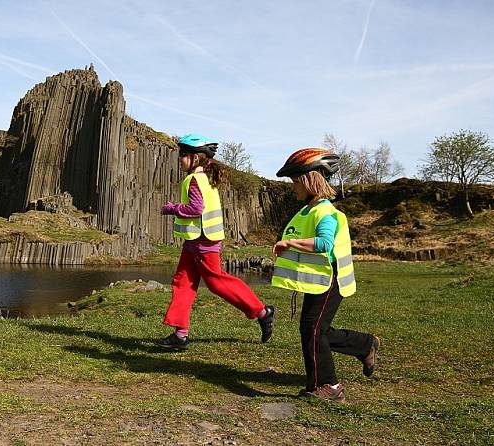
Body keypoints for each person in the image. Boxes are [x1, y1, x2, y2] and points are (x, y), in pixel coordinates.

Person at [272, 148, 381, 402]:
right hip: (319, 280)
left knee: (313, 330)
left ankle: (328, 386)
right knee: (315, 329)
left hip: (331, 280)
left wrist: (289, 244)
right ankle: (365, 345)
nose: (293, 187)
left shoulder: (326, 212)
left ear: (311, 179)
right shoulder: (308, 210)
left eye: (295, 181)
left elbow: (324, 244)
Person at [156, 133, 276, 351]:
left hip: (204, 242)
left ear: (197, 158)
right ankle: (180, 335)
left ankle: (262, 312)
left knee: (216, 282)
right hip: (195, 241)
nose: (180, 159)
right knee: (182, 282)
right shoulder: (205, 178)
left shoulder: (195, 179)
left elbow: (195, 209)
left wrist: (171, 208)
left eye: (184, 155)